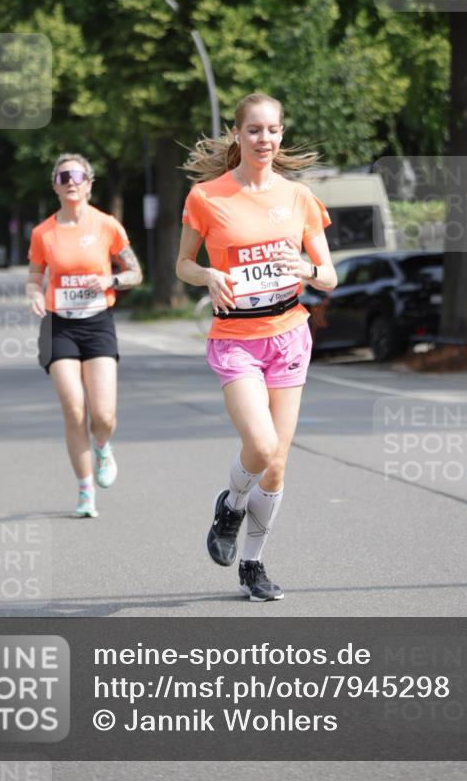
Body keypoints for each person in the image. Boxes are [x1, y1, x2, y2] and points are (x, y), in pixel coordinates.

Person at [176, 93, 337, 601]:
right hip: (235, 338)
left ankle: (253, 565)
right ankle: (230, 505)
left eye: (272, 130)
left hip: (288, 332)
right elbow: (182, 264)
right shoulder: (207, 197)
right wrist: (206, 274)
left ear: (281, 135)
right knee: (261, 446)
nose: (264, 139)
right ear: (237, 135)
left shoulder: (300, 198)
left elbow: (329, 276)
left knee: (277, 462)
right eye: (254, 130)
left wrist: (306, 270)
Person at [27, 153, 143, 518]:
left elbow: (135, 272)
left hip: (97, 323)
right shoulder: (42, 233)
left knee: (103, 415)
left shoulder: (107, 226)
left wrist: (110, 280)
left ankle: (103, 446)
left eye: (78, 175)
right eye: (64, 176)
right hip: (59, 325)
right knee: (74, 408)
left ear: (90, 183)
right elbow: (34, 277)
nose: (71, 181)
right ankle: (84, 490)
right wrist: (33, 293)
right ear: (55, 185)